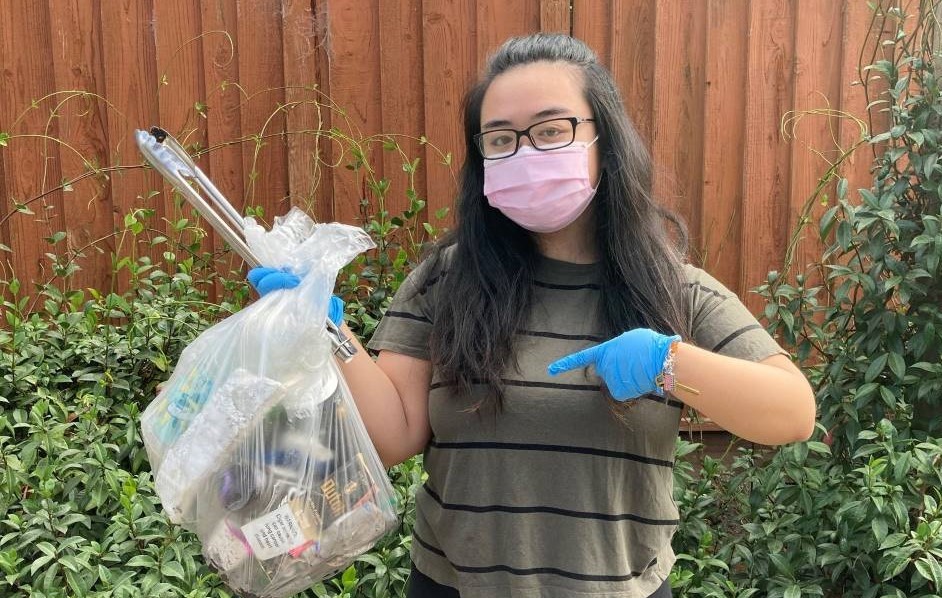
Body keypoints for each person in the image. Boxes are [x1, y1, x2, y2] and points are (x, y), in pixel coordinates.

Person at [250, 33, 815, 598]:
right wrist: (324, 327)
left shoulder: (674, 291)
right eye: (501, 139)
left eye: (551, 130)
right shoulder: (447, 281)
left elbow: (792, 413)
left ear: (605, 140)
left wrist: (668, 361)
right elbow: (395, 436)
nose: (525, 152)